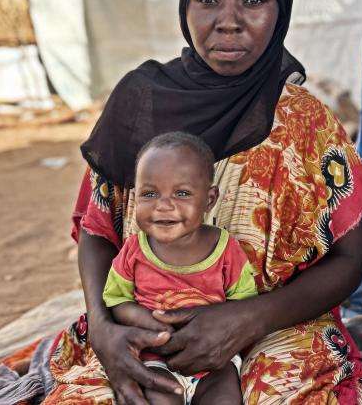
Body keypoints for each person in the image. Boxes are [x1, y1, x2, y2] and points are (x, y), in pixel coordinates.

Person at [42, 0, 362, 405]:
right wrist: (103, 331)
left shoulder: (303, 121)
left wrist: (245, 318)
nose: (228, 20)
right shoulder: (139, 102)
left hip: (272, 320)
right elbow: (99, 232)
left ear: (281, 8)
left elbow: (349, 259)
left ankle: (358, 343)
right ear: (185, 4)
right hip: (142, 323)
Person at [102, 132, 258, 404]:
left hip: (214, 363)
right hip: (155, 362)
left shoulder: (226, 250)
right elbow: (116, 299)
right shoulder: (134, 251)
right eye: (149, 193)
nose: (163, 206)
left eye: (182, 193)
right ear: (134, 197)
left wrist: (208, 326)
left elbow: (243, 304)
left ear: (209, 200)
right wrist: (149, 323)